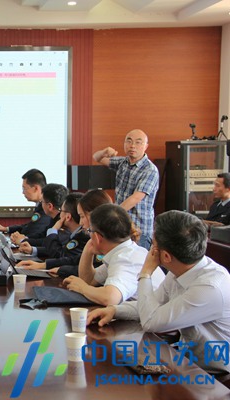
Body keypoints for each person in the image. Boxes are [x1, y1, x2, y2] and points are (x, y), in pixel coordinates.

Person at [87, 210, 230, 375]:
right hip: (186, 359)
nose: (150, 251)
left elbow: (151, 321)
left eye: (153, 245)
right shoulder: (181, 268)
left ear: (166, 256)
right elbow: (152, 305)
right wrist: (115, 310)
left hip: (214, 373)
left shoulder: (209, 288)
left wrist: (146, 273)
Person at [62, 204, 165, 306]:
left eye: (90, 231)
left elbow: (110, 298)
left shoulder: (125, 259)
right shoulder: (125, 251)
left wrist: (83, 288)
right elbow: (89, 280)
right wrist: (88, 250)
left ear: (97, 237)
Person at [93, 129, 159, 249]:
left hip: (139, 230)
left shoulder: (150, 170)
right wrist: (104, 152)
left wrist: (112, 214)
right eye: (129, 141)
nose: (132, 145)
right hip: (121, 227)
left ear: (146, 146)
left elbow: (136, 198)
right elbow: (97, 157)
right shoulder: (123, 162)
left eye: (138, 142)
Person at [17, 192, 89, 276]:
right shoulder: (76, 233)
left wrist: (53, 230)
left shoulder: (83, 235)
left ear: (68, 217)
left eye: (61, 211)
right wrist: (34, 251)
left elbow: (59, 255)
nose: (59, 214)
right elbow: (65, 254)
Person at [0, 169, 53, 243]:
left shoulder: (46, 207)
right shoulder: (40, 205)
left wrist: (21, 238)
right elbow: (29, 225)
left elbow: (33, 230)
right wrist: (6, 229)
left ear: (36, 188)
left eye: (24, 188)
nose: (23, 192)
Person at [17, 183, 67, 251]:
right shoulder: (54, 218)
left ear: (50, 206)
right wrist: (25, 238)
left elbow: (47, 242)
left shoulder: (63, 222)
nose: (41, 204)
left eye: (42, 202)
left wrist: (22, 241)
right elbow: (42, 235)